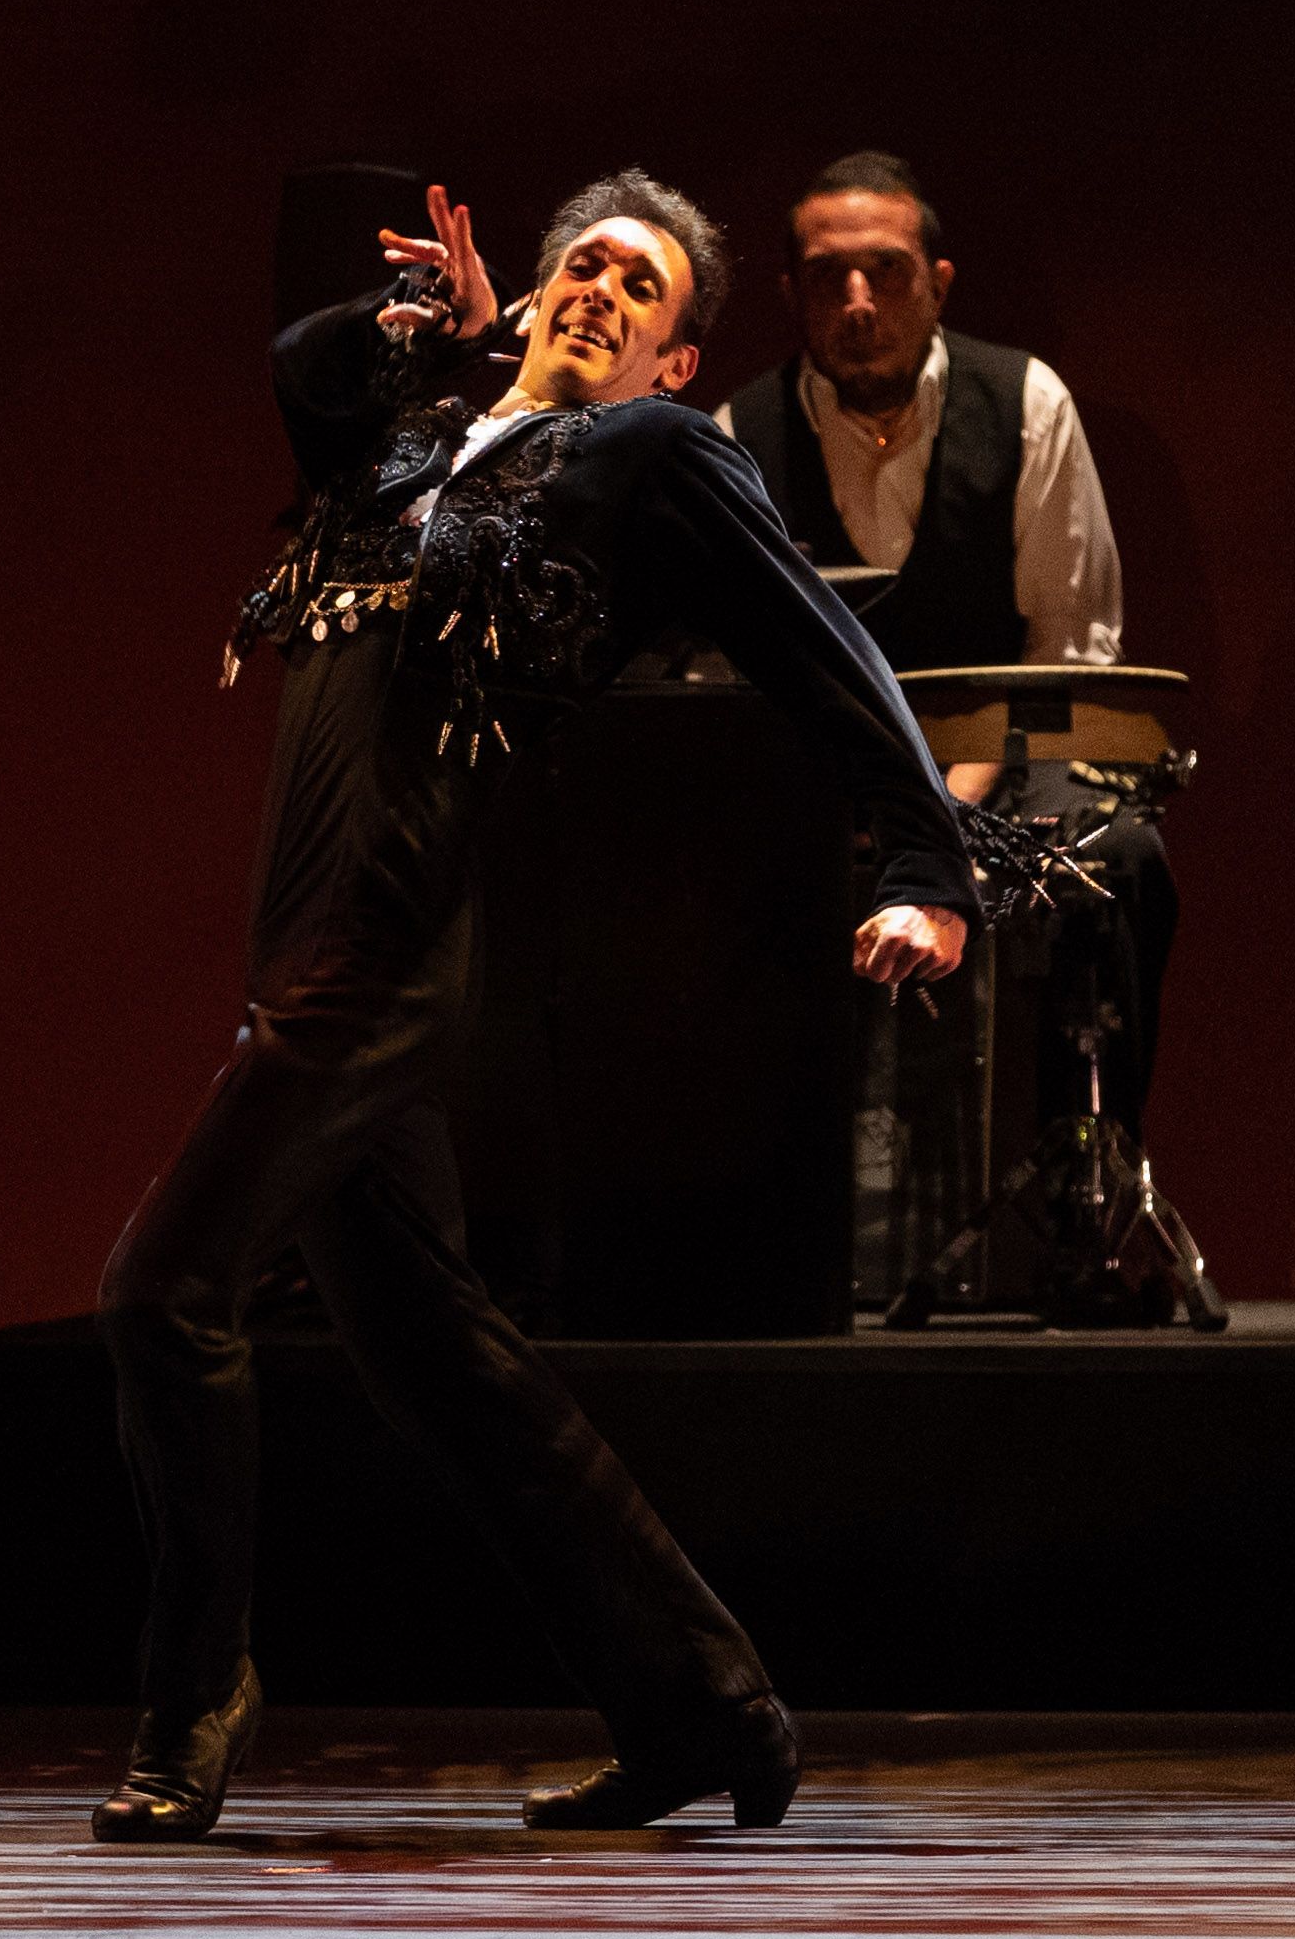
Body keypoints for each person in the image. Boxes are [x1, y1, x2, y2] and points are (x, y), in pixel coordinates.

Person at [92, 172, 974, 1840]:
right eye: (581, 261)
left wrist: (925, 863)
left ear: (674, 359)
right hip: (296, 942)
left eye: (638, 286)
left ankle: (191, 1689)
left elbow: (821, 653)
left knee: (161, 1292)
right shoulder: (404, 452)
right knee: (446, 1365)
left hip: (386, 951)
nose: (598, 289)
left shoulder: (646, 457)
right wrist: (444, 328)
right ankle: (705, 1707)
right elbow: (303, 370)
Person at [718, 151, 1176, 1149]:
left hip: (1001, 774)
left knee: (1121, 857)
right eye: (829, 276)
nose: (857, 301)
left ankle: (1080, 1170)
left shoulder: (1025, 404)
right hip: (826, 785)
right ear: (791, 292)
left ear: (937, 282)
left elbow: (1068, 653)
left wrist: (941, 820)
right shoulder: (738, 438)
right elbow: (735, 677)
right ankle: (764, 1179)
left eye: (884, 270)